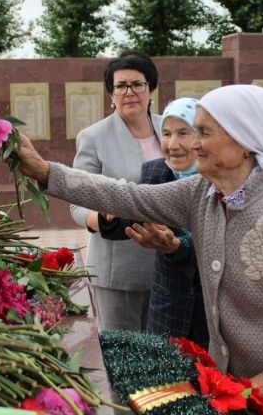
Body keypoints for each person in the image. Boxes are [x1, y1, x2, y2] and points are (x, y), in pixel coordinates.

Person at [17, 84, 263, 414]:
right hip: (227, 384)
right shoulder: (201, 193)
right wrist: (45, 171)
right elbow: (129, 196)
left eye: (204, 133)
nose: (193, 144)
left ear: (245, 140)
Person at [99, 97, 209, 349]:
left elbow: (216, 239)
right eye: (167, 133)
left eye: (183, 133)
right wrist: (110, 216)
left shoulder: (218, 178)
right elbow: (136, 214)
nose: (173, 144)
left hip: (211, 311)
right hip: (167, 310)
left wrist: (178, 247)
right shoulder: (155, 172)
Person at [70, 50, 161, 333]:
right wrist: (101, 217)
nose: (129, 92)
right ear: (111, 94)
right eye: (120, 86)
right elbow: (77, 203)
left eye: (137, 84)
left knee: (167, 360)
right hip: (119, 270)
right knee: (125, 360)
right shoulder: (94, 137)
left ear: (151, 89)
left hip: (168, 265)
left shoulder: (170, 129)